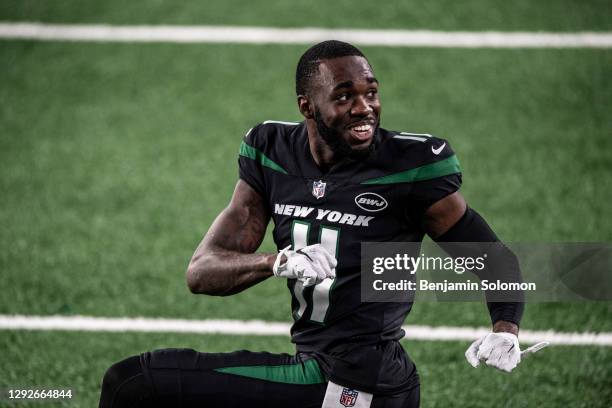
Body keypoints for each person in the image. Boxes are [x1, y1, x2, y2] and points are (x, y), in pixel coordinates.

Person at [99, 40, 543, 408]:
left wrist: (506, 328)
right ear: (307, 106)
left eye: (371, 92)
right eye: (345, 96)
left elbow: (493, 260)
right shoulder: (272, 152)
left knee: (131, 384)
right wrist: (277, 262)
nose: (364, 108)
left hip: (360, 377)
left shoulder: (409, 166)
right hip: (322, 368)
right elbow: (202, 272)